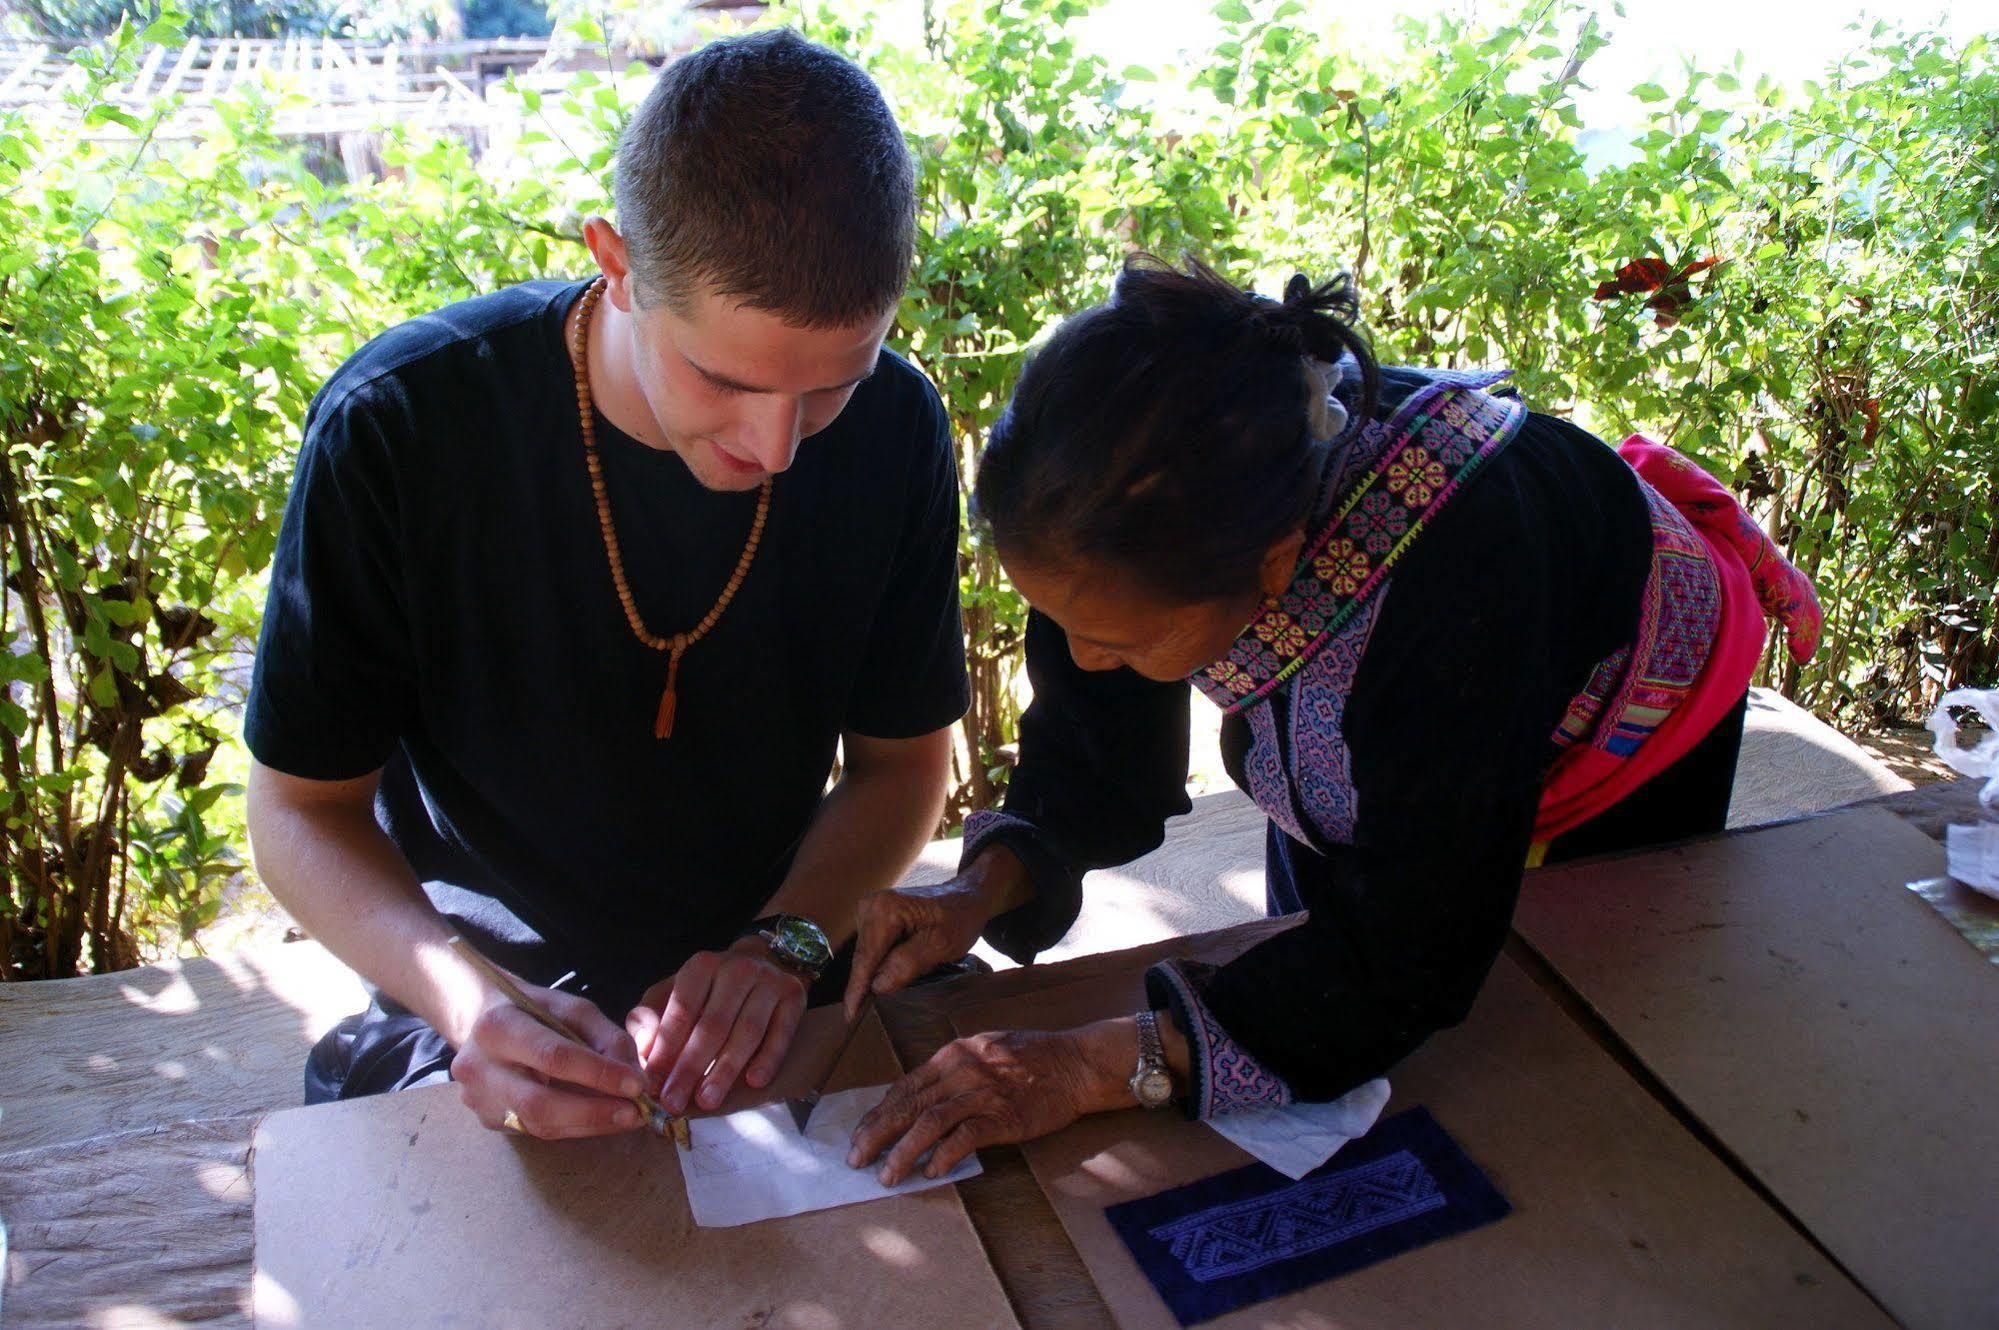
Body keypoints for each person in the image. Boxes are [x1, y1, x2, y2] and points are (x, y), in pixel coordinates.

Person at [843, 255, 1819, 1185]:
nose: (1084, 657)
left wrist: (1091, 1066)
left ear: (1274, 569)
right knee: (1310, 990)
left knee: (1592, 1053)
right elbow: (1095, 751)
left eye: (1122, 642)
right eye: (1064, 623)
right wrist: (978, 890)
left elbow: (1413, 945)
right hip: (1413, 704)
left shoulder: (1458, 583)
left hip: (1638, 708)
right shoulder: (1120, 511)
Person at [244, 29, 969, 1140]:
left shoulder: (897, 426)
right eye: (725, 379)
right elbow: (299, 810)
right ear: (616, 264)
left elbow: (903, 765)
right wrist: (470, 1001)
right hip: (489, 993)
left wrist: (787, 940)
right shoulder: (403, 426)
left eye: (832, 384)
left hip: (772, 968)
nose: (777, 446)